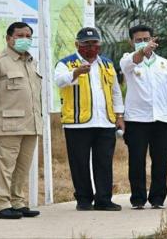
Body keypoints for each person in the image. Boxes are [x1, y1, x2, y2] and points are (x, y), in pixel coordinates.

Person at [0, 22, 42, 219]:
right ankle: (2, 204)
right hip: (6, 124)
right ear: (8, 38)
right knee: (4, 167)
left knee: (23, 167)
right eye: (20, 35)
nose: (24, 39)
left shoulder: (30, 61)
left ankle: (17, 202)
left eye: (28, 36)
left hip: (30, 124)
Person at [54, 27, 125, 211]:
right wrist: (76, 72)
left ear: (99, 45)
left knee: (104, 162)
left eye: (94, 43)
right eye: (86, 44)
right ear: (77, 44)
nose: (91, 47)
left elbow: (115, 91)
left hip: (105, 122)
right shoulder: (66, 63)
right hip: (77, 123)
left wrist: (119, 115)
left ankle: (104, 199)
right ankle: (84, 199)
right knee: (79, 163)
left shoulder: (107, 64)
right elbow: (59, 81)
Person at [120, 24, 167, 210]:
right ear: (131, 41)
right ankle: (138, 199)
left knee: (160, 161)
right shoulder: (128, 60)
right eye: (138, 40)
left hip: (161, 120)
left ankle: (157, 198)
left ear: (153, 39)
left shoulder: (164, 63)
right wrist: (142, 52)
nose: (143, 43)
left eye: (146, 39)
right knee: (137, 161)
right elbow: (129, 63)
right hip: (137, 120)